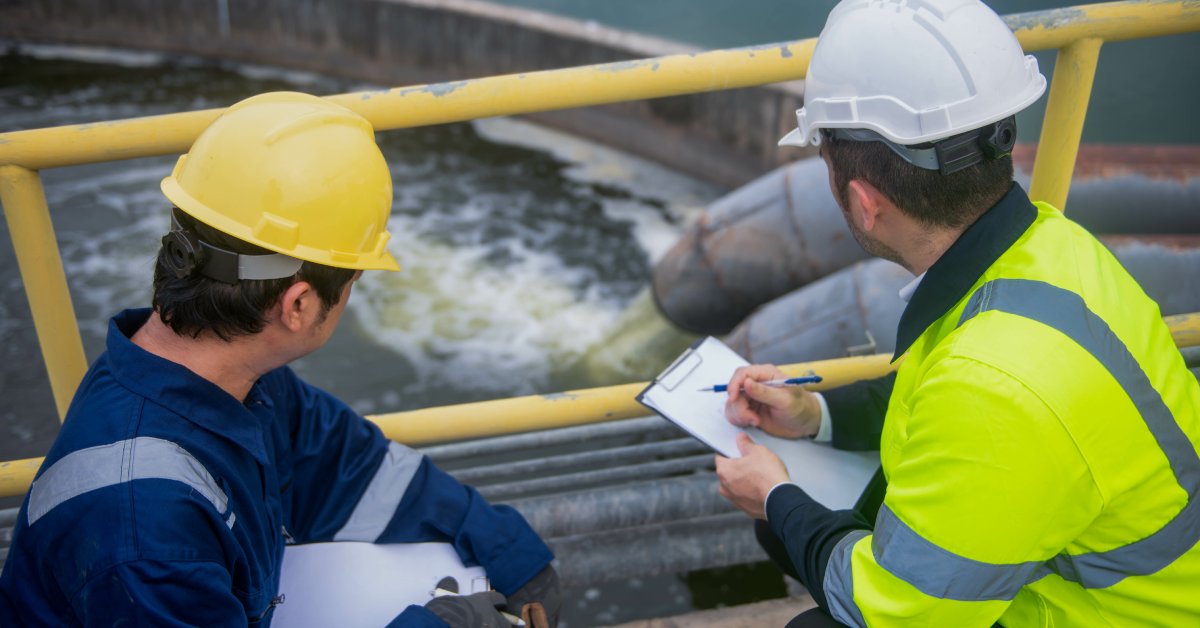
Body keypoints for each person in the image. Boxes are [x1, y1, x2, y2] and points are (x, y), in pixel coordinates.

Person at [713, 1, 1200, 626]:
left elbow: (889, 611)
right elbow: (944, 392)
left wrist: (775, 494)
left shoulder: (992, 387)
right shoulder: (1052, 246)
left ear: (864, 203)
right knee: (788, 532)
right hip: (1136, 585)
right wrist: (817, 414)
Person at [0, 92, 560, 627]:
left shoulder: (238, 386)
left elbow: (353, 469)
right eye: (352, 282)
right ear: (298, 304)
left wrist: (504, 548)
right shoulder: (144, 525)